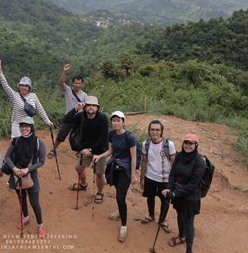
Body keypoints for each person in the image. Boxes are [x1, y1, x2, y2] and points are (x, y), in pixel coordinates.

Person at [93, 111, 137, 243]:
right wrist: (99, 156)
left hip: (125, 170)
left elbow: (133, 157)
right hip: (114, 167)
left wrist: (133, 175)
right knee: (119, 192)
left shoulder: (130, 137)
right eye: (114, 120)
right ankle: (119, 210)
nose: (116, 123)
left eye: (119, 120)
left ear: (123, 121)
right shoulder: (111, 134)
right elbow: (110, 151)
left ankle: (124, 226)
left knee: (120, 196)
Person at [162, 134, 206, 253]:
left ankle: (189, 251)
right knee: (179, 215)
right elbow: (172, 174)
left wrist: (174, 193)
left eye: (191, 143)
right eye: (186, 143)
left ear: (196, 145)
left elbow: (193, 185)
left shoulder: (199, 162)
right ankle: (181, 237)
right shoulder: (179, 156)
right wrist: (169, 189)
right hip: (177, 193)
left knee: (188, 222)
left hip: (190, 197)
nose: (188, 145)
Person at [4, 116, 47, 238]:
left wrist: (28, 169)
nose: (24, 129)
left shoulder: (39, 142)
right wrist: (15, 169)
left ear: (31, 127)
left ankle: (40, 225)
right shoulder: (16, 140)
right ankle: (26, 217)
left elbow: (42, 161)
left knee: (34, 202)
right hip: (17, 174)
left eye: (27, 126)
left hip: (31, 176)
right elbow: (7, 157)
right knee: (21, 199)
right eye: (22, 126)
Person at [63, 96, 109, 205]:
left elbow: (103, 138)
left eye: (94, 105)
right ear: (85, 107)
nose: (91, 107)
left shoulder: (102, 118)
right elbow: (66, 120)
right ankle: (83, 185)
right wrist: (75, 109)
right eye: (89, 105)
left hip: (100, 150)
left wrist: (91, 149)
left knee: (99, 173)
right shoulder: (81, 116)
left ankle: (100, 192)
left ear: (97, 108)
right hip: (85, 149)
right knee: (78, 167)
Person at [0, 60, 53, 138]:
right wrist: (0, 72)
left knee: (29, 146)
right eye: (22, 85)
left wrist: (48, 121)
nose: (23, 87)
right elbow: (6, 86)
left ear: (29, 87)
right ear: (19, 86)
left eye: (26, 86)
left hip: (29, 125)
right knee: (16, 145)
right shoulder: (15, 96)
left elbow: (40, 109)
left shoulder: (33, 96)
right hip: (17, 125)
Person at [139, 119, 176, 233]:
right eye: (152, 130)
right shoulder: (146, 144)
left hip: (164, 179)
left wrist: (173, 181)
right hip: (150, 177)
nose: (154, 132)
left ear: (161, 131)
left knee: (165, 200)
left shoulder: (169, 145)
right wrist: (142, 178)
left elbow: (174, 163)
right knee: (150, 197)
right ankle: (151, 215)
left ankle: (162, 219)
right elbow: (144, 161)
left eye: (157, 130)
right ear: (149, 131)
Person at [47, 64, 87, 159]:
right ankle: (54, 149)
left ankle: (80, 150)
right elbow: (61, 83)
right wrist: (64, 71)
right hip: (69, 117)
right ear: (73, 83)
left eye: (79, 83)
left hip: (79, 118)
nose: (77, 85)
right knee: (62, 134)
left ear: (82, 84)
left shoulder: (85, 95)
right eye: (76, 83)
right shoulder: (68, 90)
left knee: (80, 135)